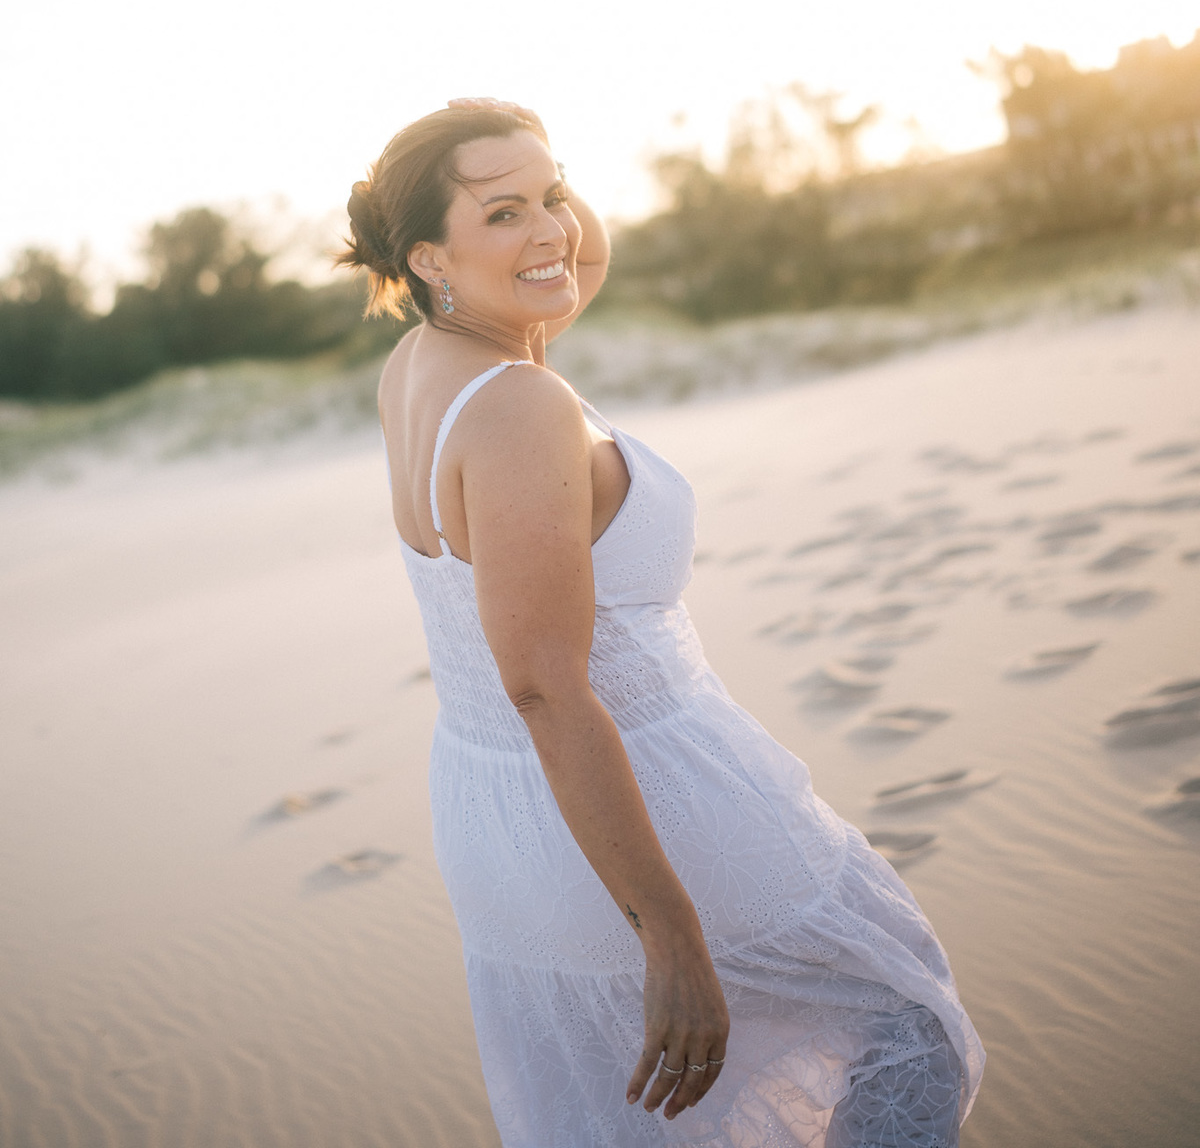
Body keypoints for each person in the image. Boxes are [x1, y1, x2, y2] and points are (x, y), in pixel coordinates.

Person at [340, 99, 984, 1147]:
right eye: (502, 214)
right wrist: (671, 934)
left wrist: (528, 190)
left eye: (555, 195)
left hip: (500, 821)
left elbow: (577, 265)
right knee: (909, 1023)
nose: (553, 231)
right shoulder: (519, 404)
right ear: (427, 256)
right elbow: (545, 684)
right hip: (642, 798)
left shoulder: (418, 367)